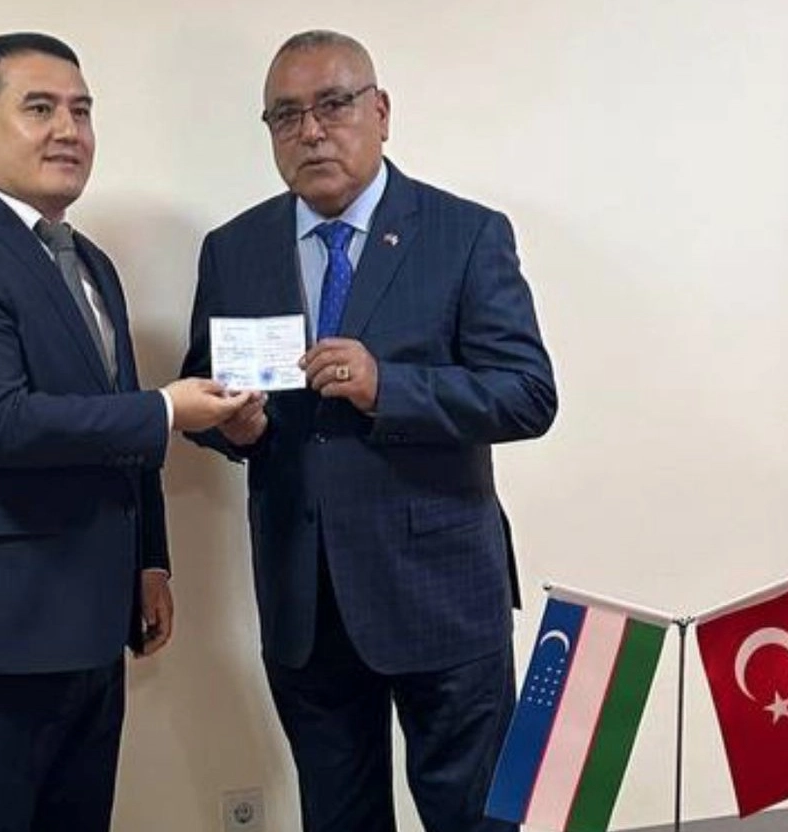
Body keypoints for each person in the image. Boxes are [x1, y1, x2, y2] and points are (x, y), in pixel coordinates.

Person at [180, 30, 557, 832]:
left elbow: (528, 394)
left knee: (475, 819)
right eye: (286, 115)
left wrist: (390, 387)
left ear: (380, 112)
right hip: (305, 605)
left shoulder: (465, 234)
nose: (311, 131)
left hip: (442, 595)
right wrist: (234, 430)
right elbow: (204, 390)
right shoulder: (234, 249)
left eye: (333, 105)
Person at [0, 32, 251, 832]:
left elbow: (116, 425)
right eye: (40, 109)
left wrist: (150, 560)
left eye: (82, 112)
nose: (68, 131)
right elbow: (1, 425)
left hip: (91, 630)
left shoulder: (91, 264)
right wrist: (165, 410)